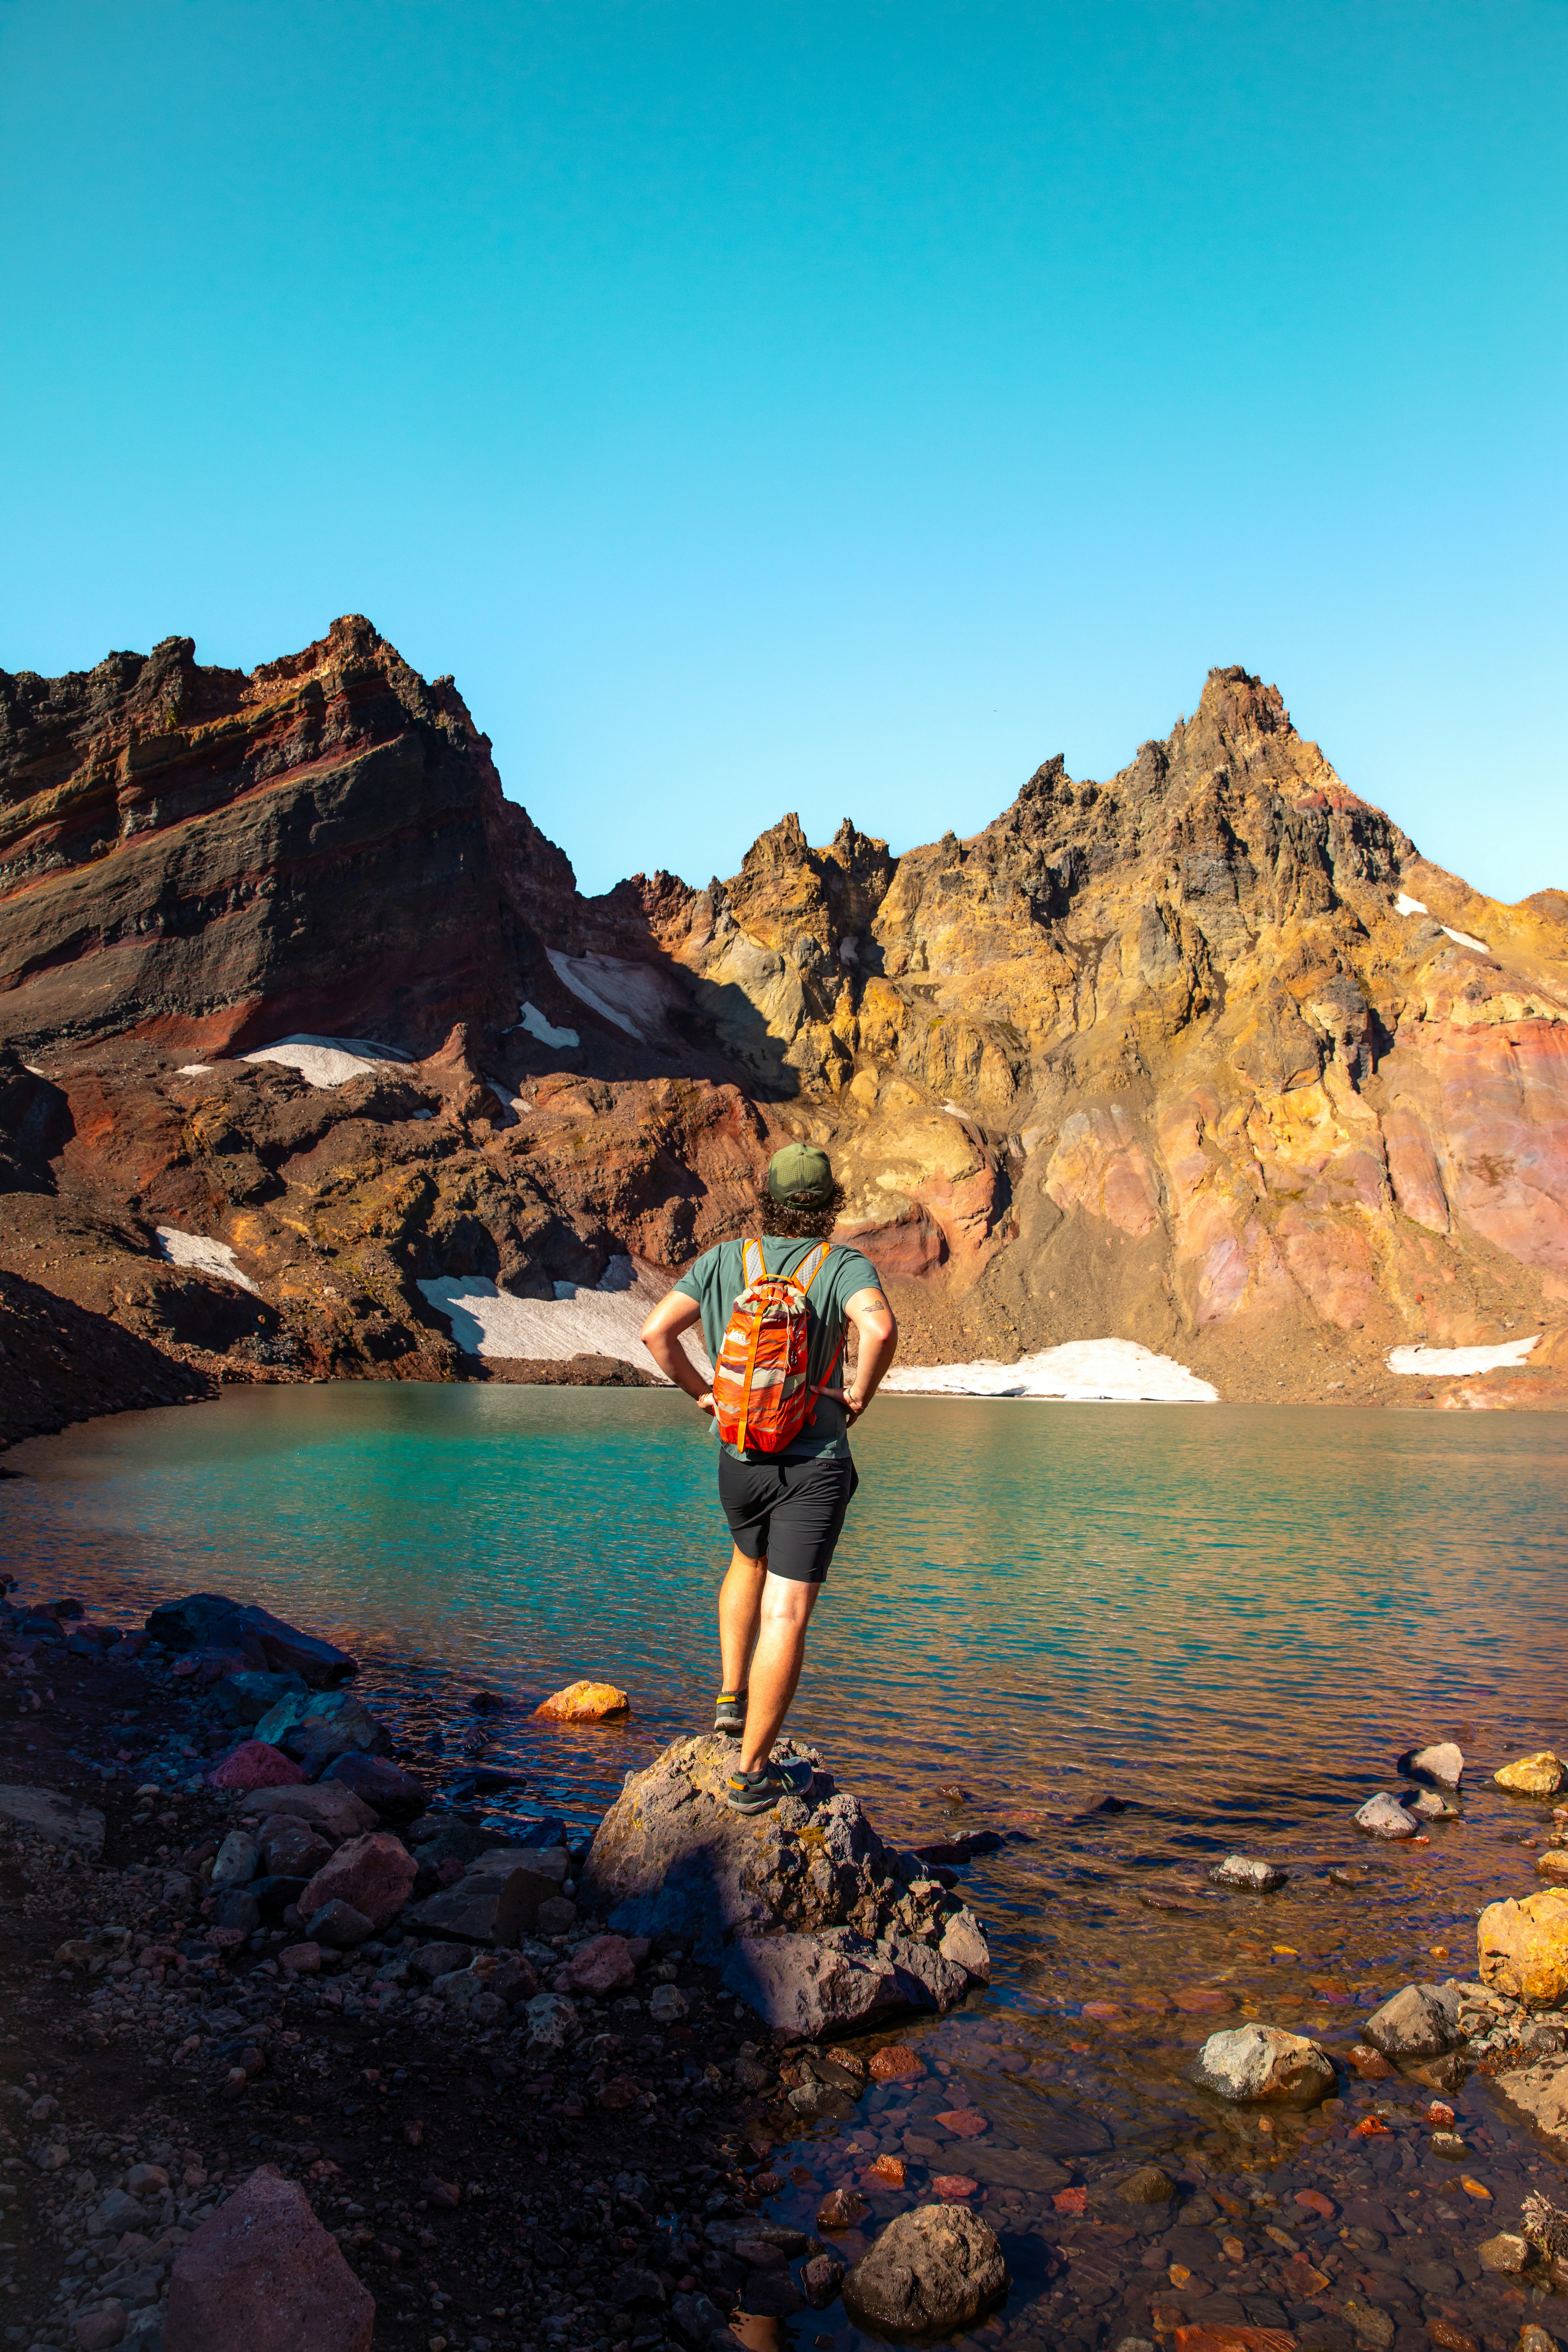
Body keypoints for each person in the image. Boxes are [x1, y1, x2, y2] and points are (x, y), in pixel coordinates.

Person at [639, 1142, 898, 1813]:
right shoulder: (842, 1265)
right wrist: (860, 1394)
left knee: (744, 1560)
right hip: (813, 1465)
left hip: (740, 1457)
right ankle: (753, 1774)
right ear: (829, 1203)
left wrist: (705, 1394)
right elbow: (880, 1327)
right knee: (788, 1610)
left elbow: (656, 1334)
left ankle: (731, 1700)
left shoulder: (727, 1259)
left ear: (769, 1198)